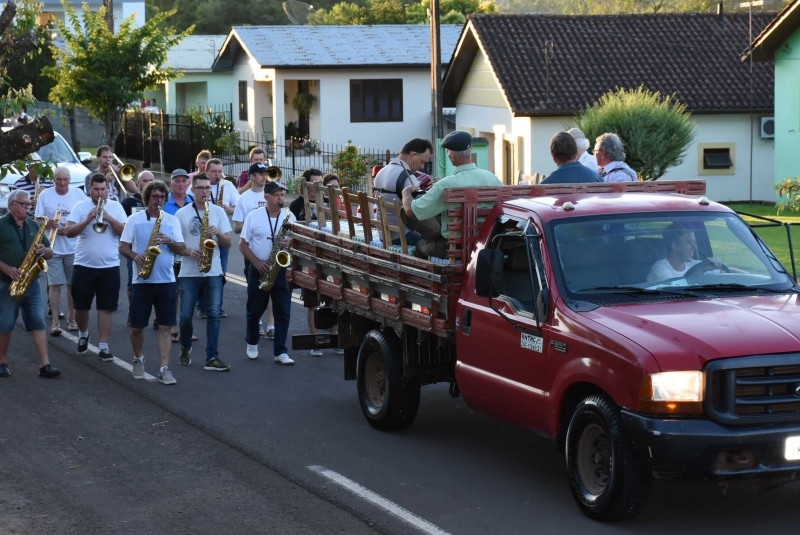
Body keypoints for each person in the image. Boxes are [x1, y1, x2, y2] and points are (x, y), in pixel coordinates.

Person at [119, 181, 185, 384]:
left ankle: (164, 368)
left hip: (166, 280)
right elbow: (123, 246)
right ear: (147, 198)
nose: (159, 201)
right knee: (137, 327)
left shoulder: (172, 221)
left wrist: (168, 241)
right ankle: (138, 359)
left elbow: (181, 248)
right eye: (155, 197)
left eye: (162, 197)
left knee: (165, 326)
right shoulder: (134, 220)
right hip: (142, 281)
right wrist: (135, 256)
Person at [402, 131, 502, 259]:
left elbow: (411, 211)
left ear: (452, 156)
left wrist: (406, 193)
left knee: (420, 245)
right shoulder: (493, 179)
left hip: (454, 247)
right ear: (470, 151)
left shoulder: (446, 184)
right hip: (486, 243)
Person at [65, 173, 127, 361]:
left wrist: (109, 218)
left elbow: (125, 233)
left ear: (108, 189)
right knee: (81, 307)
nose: (100, 193)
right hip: (84, 264)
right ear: (89, 189)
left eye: (103, 189)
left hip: (110, 266)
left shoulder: (116, 207)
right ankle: (83, 335)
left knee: (106, 308)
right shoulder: (80, 207)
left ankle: (104, 346)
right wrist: (86, 220)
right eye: (96, 189)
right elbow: (68, 232)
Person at [0, 189, 61, 378]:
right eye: (24, 204)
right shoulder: (1, 225)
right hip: (6, 282)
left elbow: (51, 252)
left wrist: (45, 250)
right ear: (12, 205)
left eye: (29, 205)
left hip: (31, 282)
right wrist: (7, 269)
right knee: (5, 323)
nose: (28, 208)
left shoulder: (34, 225)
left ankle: (45, 365)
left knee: (38, 322)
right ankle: (2, 361)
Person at [174, 174, 232, 371]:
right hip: (189, 270)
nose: (205, 192)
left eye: (207, 188)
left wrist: (218, 233)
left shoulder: (218, 212)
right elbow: (175, 245)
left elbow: (228, 243)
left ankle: (212, 357)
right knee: (185, 316)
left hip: (213, 270)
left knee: (214, 313)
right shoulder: (181, 214)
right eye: (200, 188)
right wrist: (189, 251)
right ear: (193, 190)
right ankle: (185, 346)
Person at [239, 181, 296, 365]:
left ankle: (280, 351)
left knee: (283, 312)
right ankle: (252, 341)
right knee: (255, 310)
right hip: (259, 268)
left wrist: (291, 244)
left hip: (281, 270)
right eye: (276, 195)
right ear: (266, 197)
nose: (281, 198)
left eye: (282, 195)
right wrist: (256, 262)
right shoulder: (254, 217)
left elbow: (299, 242)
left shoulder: (289, 216)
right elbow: (242, 244)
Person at [34, 165, 86, 335]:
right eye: (59, 179)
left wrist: (69, 229)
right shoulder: (45, 195)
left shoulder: (78, 194)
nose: (62, 183)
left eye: (65, 180)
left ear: (69, 180)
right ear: (54, 180)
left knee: (73, 285)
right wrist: (47, 222)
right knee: (55, 285)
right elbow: (37, 219)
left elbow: (85, 218)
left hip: (74, 247)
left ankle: (71, 320)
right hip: (52, 247)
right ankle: (55, 322)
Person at [233, 162, 273, 337]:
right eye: (259, 174)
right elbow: (237, 227)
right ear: (252, 177)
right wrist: (255, 229)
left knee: (271, 286)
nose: (263, 177)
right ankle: (256, 320)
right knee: (255, 289)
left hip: (271, 248)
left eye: (265, 173)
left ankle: (271, 325)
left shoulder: (271, 195)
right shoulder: (244, 199)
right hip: (252, 250)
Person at [373, 138, 433, 245]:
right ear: (413, 155)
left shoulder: (381, 171)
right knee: (439, 241)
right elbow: (419, 212)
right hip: (402, 236)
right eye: (422, 161)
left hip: (383, 235)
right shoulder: (408, 178)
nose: (422, 166)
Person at [163, 169, 195, 342]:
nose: (181, 184)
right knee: (172, 293)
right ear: (171, 182)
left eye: (184, 181)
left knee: (187, 294)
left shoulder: (193, 202)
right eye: (177, 181)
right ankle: (172, 326)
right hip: (170, 253)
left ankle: (186, 329)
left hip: (189, 255)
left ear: (188, 183)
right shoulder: (164, 203)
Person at [121, 171, 155, 309]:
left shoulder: (159, 200)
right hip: (134, 249)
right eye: (144, 180)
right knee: (133, 283)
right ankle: (133, 311)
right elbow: (123, 226)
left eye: (150, 180)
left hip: (155, 246)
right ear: (137, 183)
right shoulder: (129, 202)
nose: (147, 183)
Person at [647, 225, 724, 281]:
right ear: (675, 246)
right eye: (689, 243)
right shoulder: (660, 269)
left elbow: (724, 272)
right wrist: (701, 270)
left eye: (694, 242)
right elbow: (675, 293)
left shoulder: (694, 265)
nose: (694, 247)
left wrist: (719, 265)